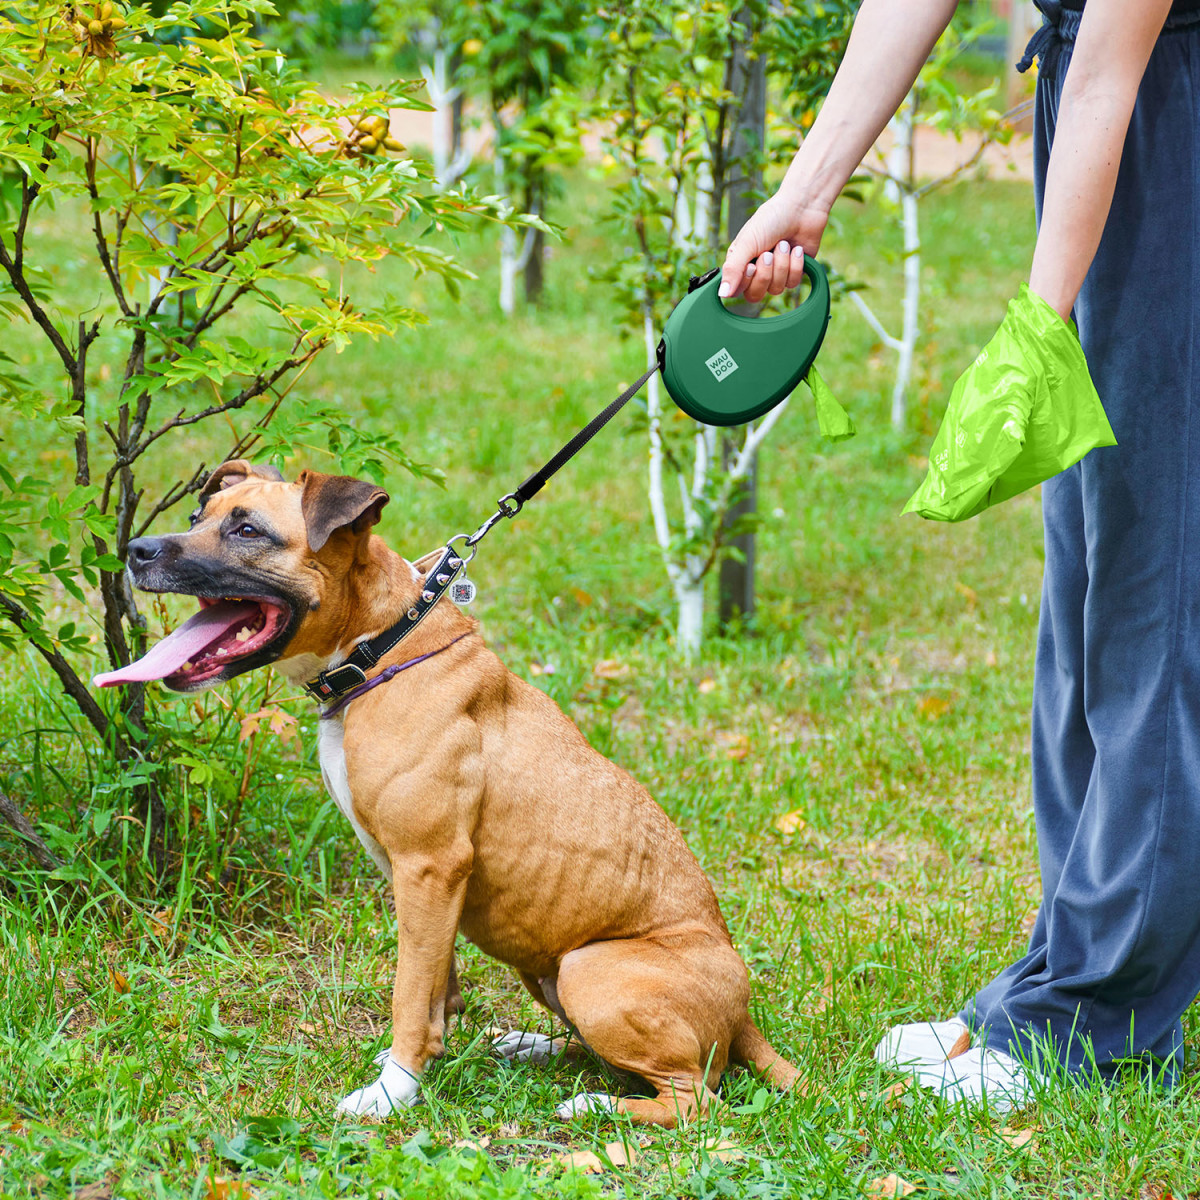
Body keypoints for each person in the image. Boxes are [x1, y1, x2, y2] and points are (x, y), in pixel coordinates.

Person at [723, 0, 1200, 1109]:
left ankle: (1104, 1018)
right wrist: (806, 191)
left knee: (1157, 579)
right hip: (1100, 101)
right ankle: (1067, 969)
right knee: (1089, 572)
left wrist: (1038, 327)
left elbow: (1108, 78)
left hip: (1161, 117)